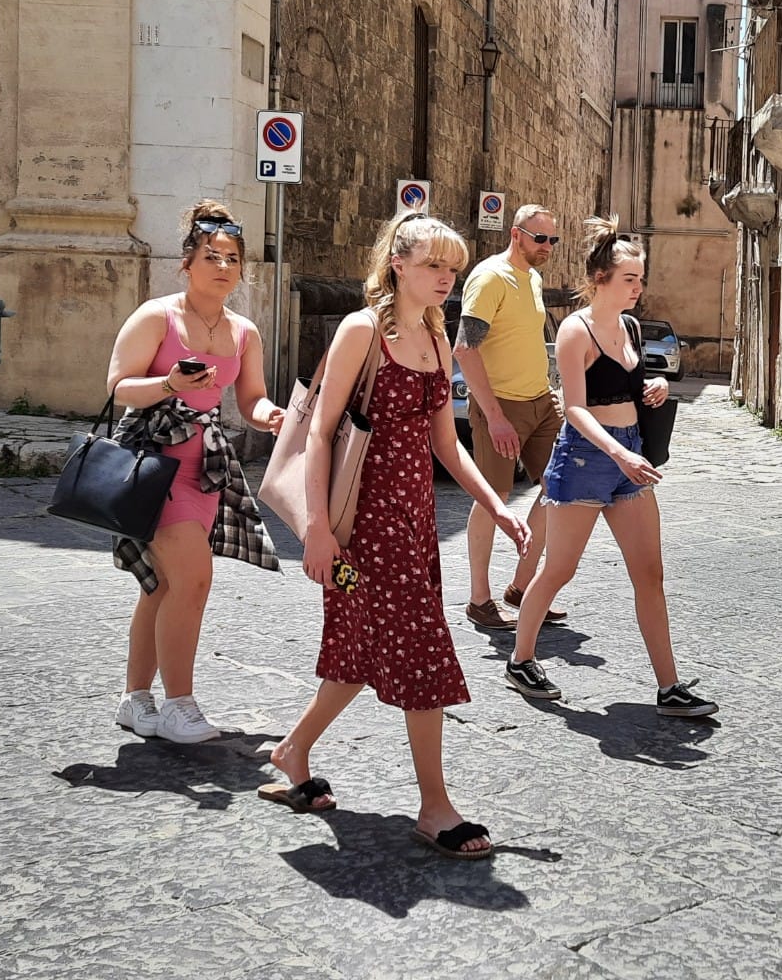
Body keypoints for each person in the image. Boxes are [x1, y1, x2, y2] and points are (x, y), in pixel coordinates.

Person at [265, 213, 530, 857]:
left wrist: (495, 504)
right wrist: (318, 532)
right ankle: (436, 806)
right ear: (399, 265)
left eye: (452, 268)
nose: (446, 278)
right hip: (360, 527)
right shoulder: (363, 331)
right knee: (425, 649)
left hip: (412, 525)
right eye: (434, 265)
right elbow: (322, 433)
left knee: (359, 648)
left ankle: (292, 750)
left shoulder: (438, 341)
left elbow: (447, 443)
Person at [505, 216, 717, 718]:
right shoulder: (576, 331)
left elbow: (631, 388)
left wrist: (657, 390)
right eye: (629, 279)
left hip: (630, 452)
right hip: (584, 458)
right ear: (600, 278)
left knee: (650, 573)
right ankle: (520, 659)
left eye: (641, 279)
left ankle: (669, 687)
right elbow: (575, 408)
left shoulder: (632, 327)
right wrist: (617, 452)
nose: (638, 289)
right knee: (559, 569)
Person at [105, 201, 284, 743]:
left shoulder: (244, 331)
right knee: (194, 579)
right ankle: (179, 704)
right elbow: (118, 387)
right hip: (152, 462)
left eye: (232, 258)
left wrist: (268, 415)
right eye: (212, 256)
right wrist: (170, 386)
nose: (223, 267)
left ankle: (136, 701)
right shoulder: (158, 316)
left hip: (204, 468)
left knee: (163, 586)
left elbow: (248, 398)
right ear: (188, 262)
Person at [454, 204, 565, 632]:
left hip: (541, 401)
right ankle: (479, 600)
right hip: (500, 405)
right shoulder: (489, 278)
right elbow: (464, 350)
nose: (548, 247)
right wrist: (496, 417)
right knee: (492, 498)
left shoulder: (533, 279)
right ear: (516, 235)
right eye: (541, 239)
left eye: (553, 240)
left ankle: (522, 588)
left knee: (562, 489)